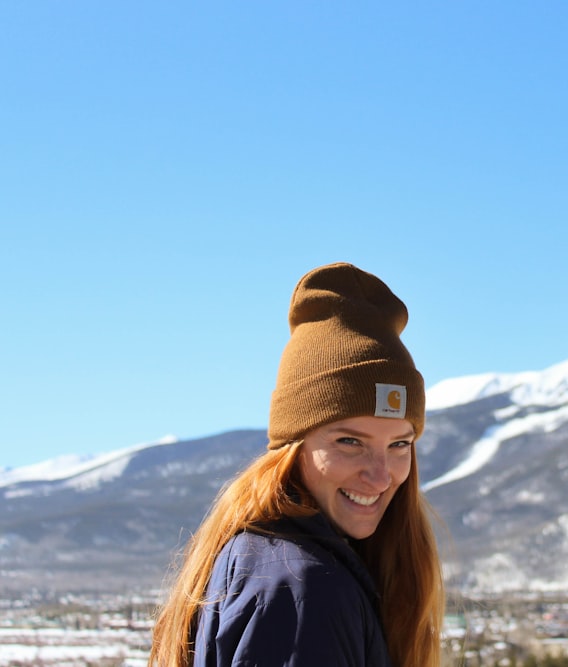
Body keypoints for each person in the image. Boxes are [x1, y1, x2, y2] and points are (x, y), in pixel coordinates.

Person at [148, 262, 445, 667]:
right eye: (349, 441)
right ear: (293, 443)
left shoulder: (264, 558)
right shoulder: (303, 590)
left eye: (399, 445)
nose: (380, 475)